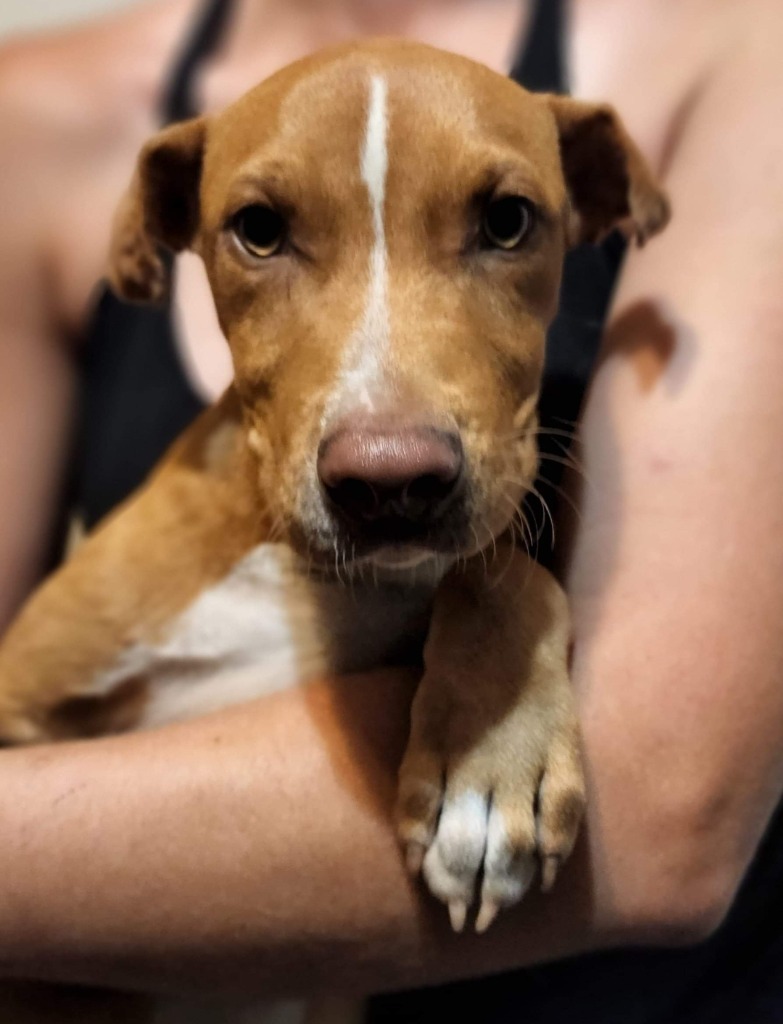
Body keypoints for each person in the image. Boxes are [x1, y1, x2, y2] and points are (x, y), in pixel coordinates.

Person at [0, 0, 782, 1020]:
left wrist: (511, 612)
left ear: (592, 203)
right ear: (168, 225)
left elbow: (668, 810)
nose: (389, 443)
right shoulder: (37, 112)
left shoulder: (739, 47)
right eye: (264, 229)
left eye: (502, 222)